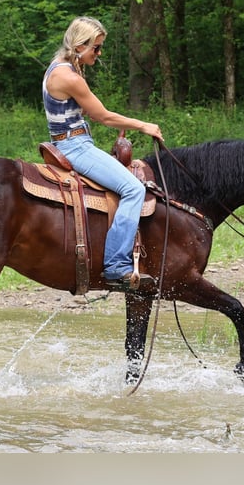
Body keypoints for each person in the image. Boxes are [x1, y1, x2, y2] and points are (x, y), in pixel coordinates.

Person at [42, 16, 163, 292]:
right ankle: (116, 265)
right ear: (79, 46)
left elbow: (82, 112)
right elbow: (103, 116)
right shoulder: (69, 76)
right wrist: (144, 125)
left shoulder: (58, 69)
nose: (99, 53)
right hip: (75, 146)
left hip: (71, 141)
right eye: (95, 48)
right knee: (133, 189)